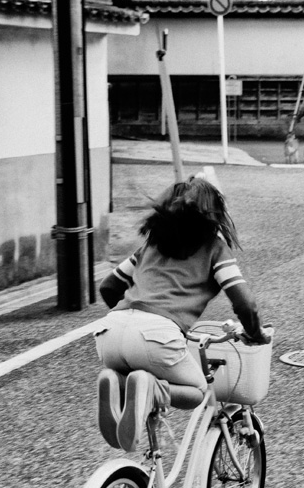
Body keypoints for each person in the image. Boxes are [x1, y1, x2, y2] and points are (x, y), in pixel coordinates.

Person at [93, 174, 270, 452]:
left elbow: (108, 287)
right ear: (214, 216)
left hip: (110, 331)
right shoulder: (214, 249)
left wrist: (130, 319)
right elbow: (245, 303)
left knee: (133, 376)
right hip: (156, 334)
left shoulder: (150, 246)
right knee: (196, 392)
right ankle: (151, 390)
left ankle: (114, 380)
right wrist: (255, 333)